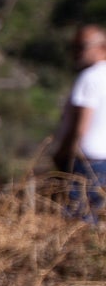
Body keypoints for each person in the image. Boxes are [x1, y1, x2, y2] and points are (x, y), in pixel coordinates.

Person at [52, 24, 106, 223]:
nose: (75, 52)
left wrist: (63, 154)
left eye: (81, 46)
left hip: (87, 162)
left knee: (77, 224)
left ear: (102, 47)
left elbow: (80, 127)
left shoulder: (89, 77)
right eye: (74, 46)